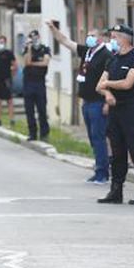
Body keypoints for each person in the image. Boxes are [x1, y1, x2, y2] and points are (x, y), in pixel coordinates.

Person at [47, 21, 111, 184]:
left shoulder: (105, 55)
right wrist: (54, 29)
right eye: (88, 35)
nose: (90, 38)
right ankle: (98, 167)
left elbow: (110, 78)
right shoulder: (86, 51)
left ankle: (103, 172)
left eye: (93, 35)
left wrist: (107, 102)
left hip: (98, 101)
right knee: (91, 137)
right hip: (86, 101)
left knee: (99, 137)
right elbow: (66, 42)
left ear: (102, 38)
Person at [95, 24, 134, 205]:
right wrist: (108, 93)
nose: (113, 40)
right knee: (117, 151)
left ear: (124, 38)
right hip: (115, 110)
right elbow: (99, 85)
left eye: (115, 36)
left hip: (131, 109)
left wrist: (108, 85)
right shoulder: (112, 59)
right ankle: (116, 189)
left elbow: (128, 83)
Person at [21, 29, 52, 141]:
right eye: (31, 37)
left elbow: (45, 62)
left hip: (40, 83)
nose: (34, 39)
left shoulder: (45, 49)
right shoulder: (26, 49)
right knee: (29, 110)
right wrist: (29, 48)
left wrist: (33, 63)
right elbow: (27, 62)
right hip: (28, 83)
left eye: (35, 37)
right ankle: (32, 133)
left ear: (39, 37)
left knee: (42, 110)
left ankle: (44, 134)